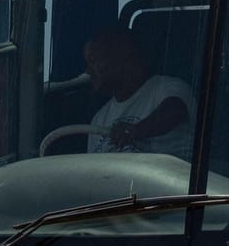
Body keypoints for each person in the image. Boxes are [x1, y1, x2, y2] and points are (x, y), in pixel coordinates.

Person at [83, 28, 195, 160]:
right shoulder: (99, 119)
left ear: (121, 55)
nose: (87, 70)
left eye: (93, 60)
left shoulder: (167, 87)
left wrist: (136, 130)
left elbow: (174, 110)